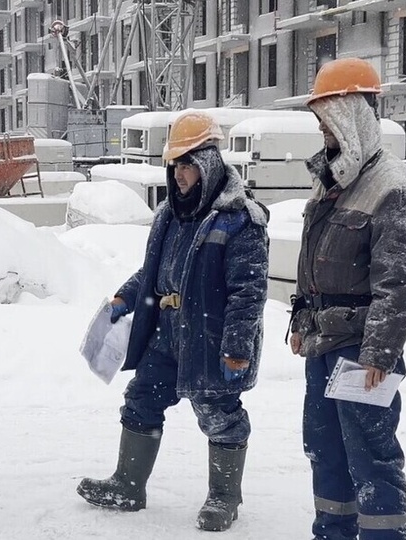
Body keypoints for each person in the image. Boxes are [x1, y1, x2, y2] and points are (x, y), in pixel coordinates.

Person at [76, 110, 269, 532]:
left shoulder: (240, 219)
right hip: (167, 332)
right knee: (142, 397)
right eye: (175, 165)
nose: (179, 175)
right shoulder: (169, 213)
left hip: (210, 336)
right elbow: (154, 268)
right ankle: (128, 485)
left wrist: (237, 347)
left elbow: (248, 292)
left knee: (219, 412)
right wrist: (126, 295)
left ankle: (224, 497)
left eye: (187, 165)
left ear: (209, 162)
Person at [286, 58, 406, 540]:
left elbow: (400, 283)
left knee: (369, 454)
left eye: (329, 116)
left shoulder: (394, 187)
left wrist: (379, 354)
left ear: (355, 113)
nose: (322, 127)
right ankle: (333, 532)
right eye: (319, 119)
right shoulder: (330, 182)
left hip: (361, 352)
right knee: (324, 449)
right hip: (325, 345)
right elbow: (312, 266)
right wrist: (301, 317)